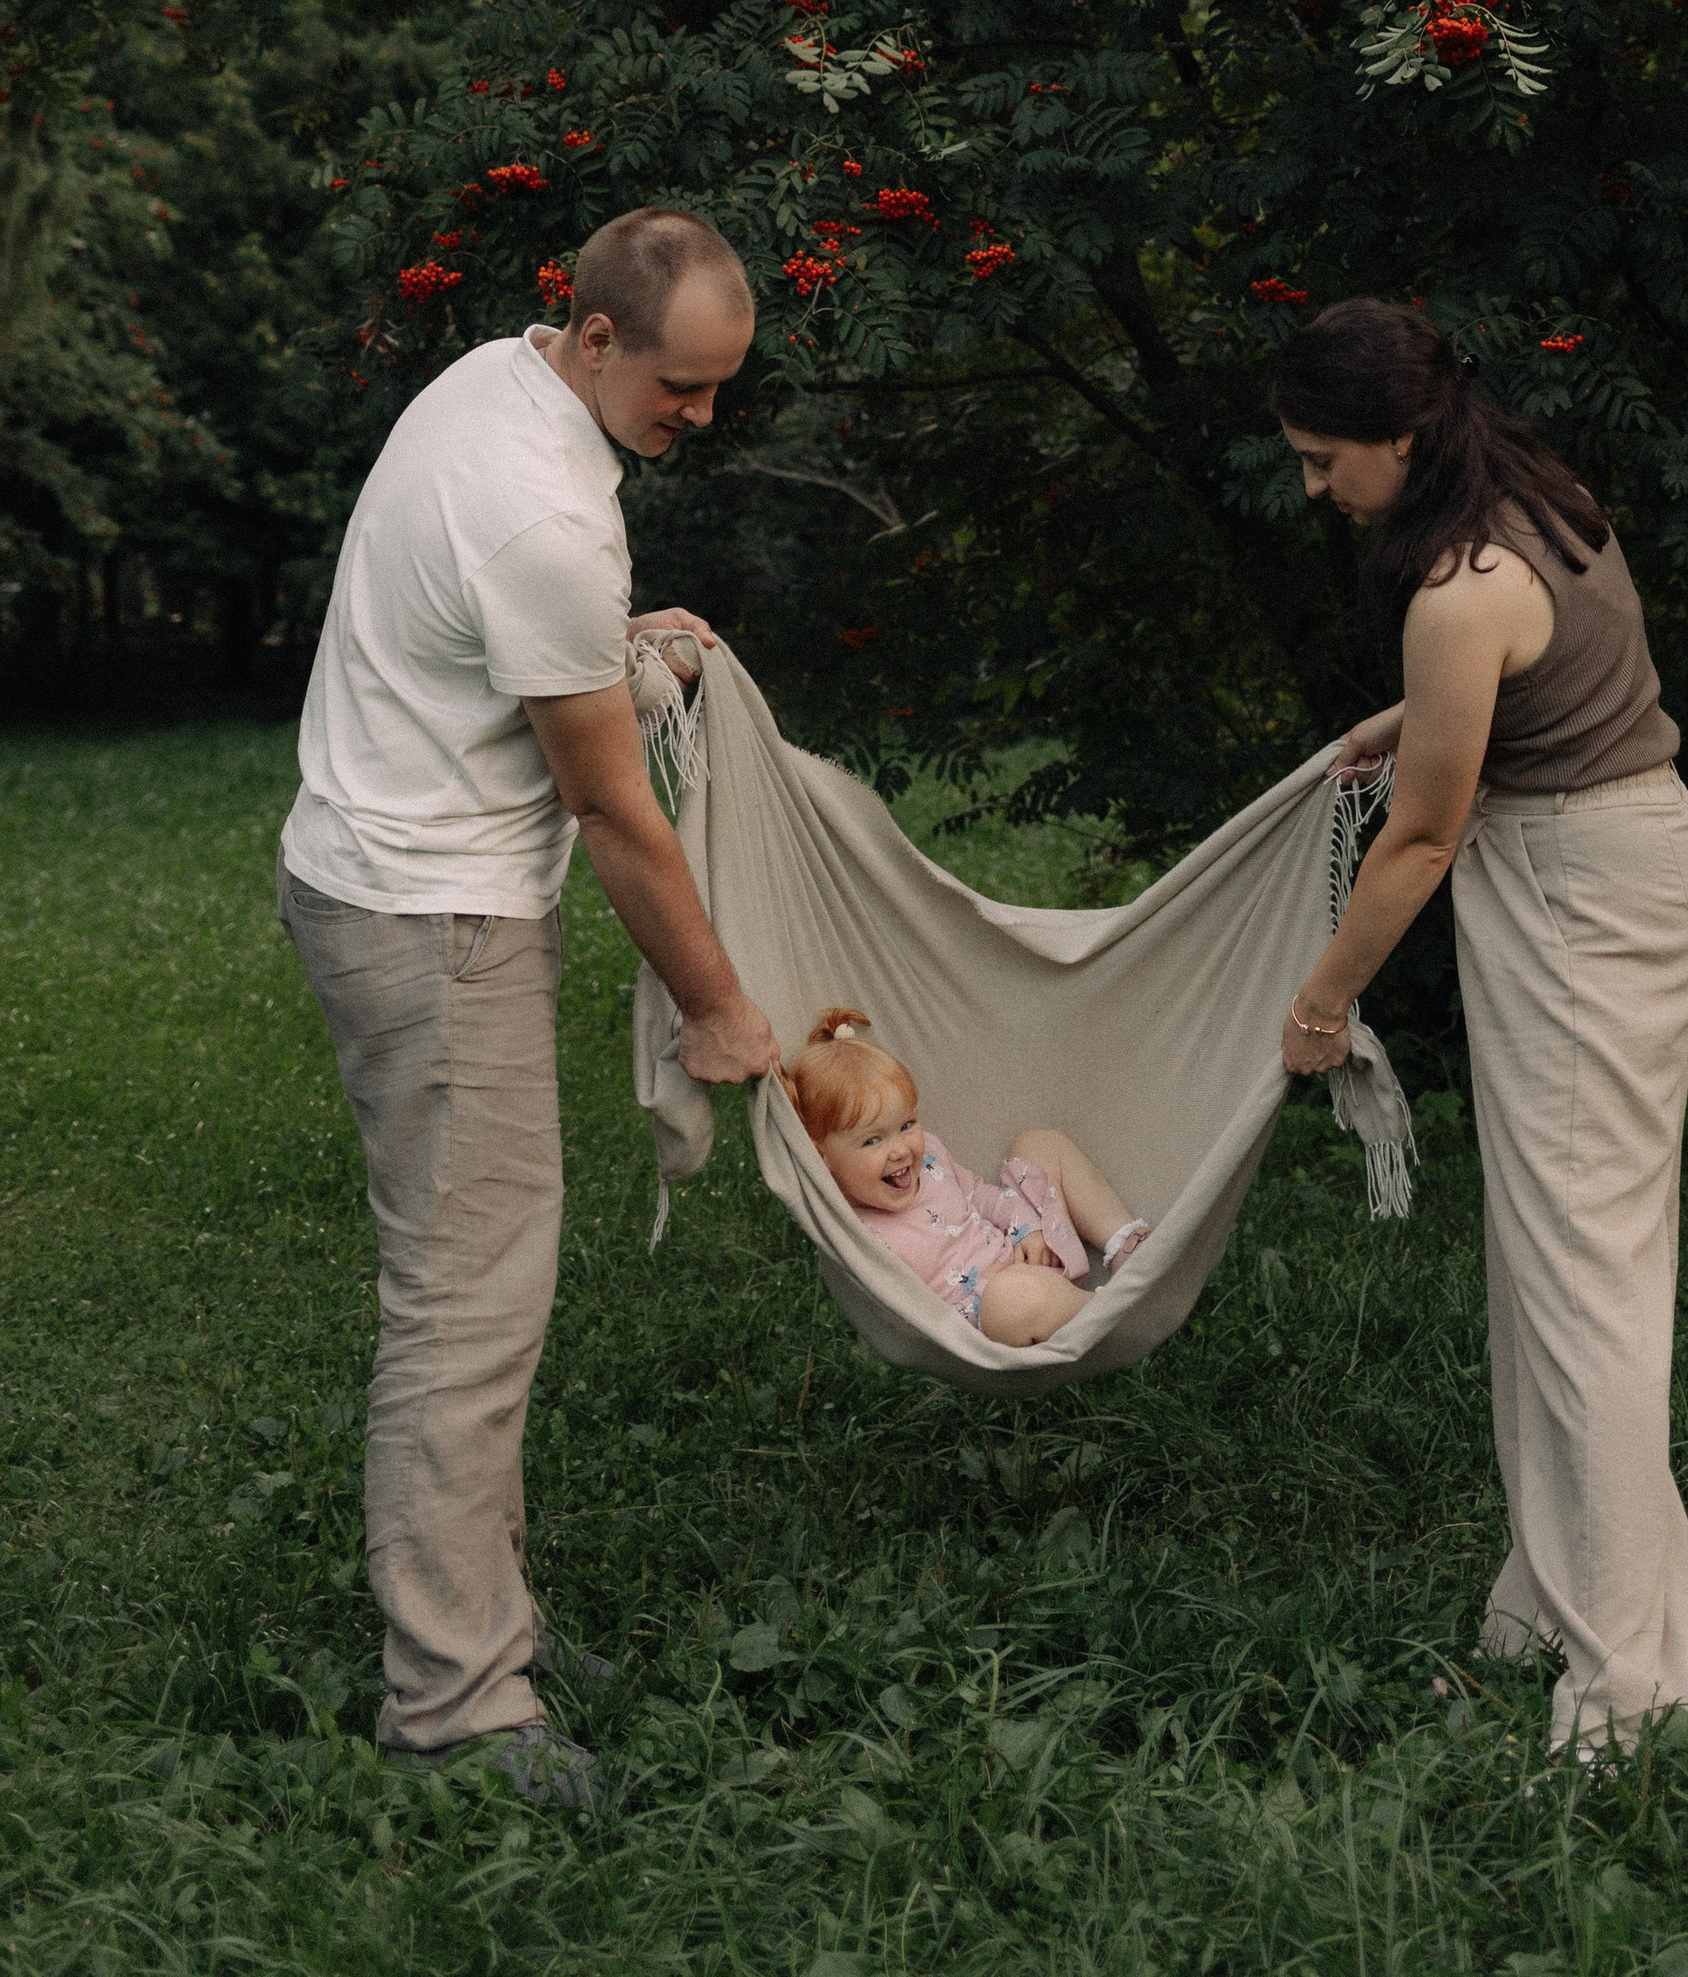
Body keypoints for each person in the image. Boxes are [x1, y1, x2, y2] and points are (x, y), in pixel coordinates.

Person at [276, 206, 783, 1805]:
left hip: (377, 871)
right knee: (469, 1308)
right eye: (678, 391)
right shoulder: (543, 516)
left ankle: (487, 1625)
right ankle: (457, 1713)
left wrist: (616, 647)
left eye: (718, 393)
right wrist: (718, 1008)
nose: (696, 420)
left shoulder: (494, 379)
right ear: (598, 341)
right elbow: (618, 816)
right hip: (435, 925)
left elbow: (488, 638)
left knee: (478, 1284)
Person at [1268, 298, 1688, 1771]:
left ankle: (1634, 1687)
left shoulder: (1458, 588)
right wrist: (1404, 718)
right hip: (1628, 867)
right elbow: (1506, 710)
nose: (1311, 488)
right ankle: (1558, 1601)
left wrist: (1322, 1000)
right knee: (1560, 1267)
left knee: (1587, 1286)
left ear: (1401, 439)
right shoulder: (1531, 496)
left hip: (1581, 905)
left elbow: (1421, 841)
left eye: (1322, 458)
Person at [782, 1004, 1151, 1343]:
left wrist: (1029, 1229)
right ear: (822, 1156)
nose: (901, 1150)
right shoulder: (852, 1230)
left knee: (1037, 1143)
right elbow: (912, 1317)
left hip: (1034, 1257)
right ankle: (1110, 1312)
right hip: (994, 1317)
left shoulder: (929, 1158)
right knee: (1012, 1298)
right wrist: (992, 1288)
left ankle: (1126, 1246)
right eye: (872, 1141)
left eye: (907, 1124)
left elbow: (981, 1194)